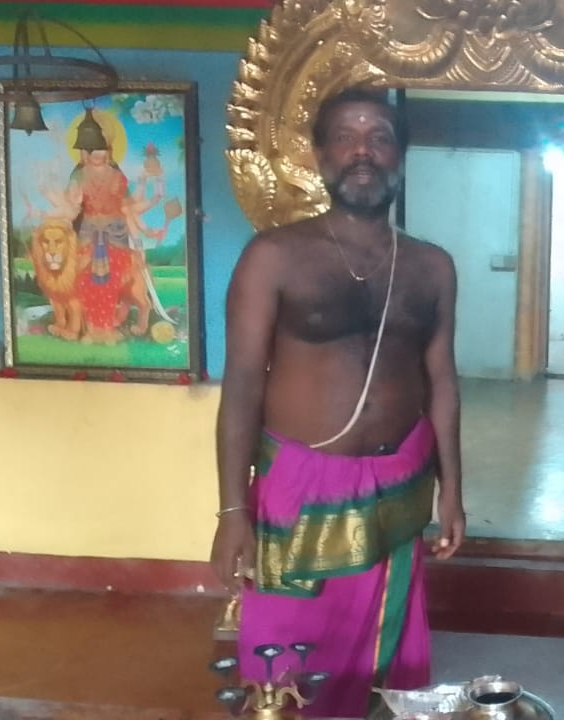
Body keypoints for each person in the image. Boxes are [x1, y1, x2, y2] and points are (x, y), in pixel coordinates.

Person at [210, 86, 466, 718]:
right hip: (299, 491)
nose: (363, 152)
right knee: (286, 656)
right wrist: (232, 510)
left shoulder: (432, 267)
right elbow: (242, 384)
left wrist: (452, 492)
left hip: (399, 487)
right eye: (346, 138)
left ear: (400, 155)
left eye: (379, 137)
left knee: (385, 657)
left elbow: (442, 380)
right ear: (321, 156)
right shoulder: (274, 257)